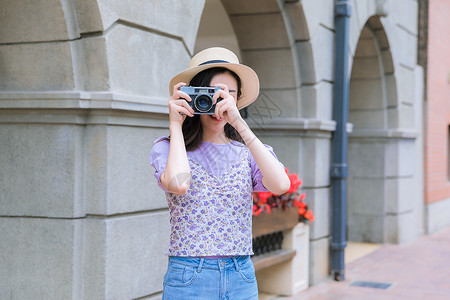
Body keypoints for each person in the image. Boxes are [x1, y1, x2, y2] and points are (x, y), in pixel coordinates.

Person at [150, 47, 290, 299]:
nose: (218, 103)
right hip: (189, 276)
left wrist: (240, 123)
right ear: (194, 94)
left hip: (241, 275)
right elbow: (178, 184)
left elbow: (281, 184)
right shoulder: (168, 147)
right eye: (211, 93)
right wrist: (175, 123)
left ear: (238, 100)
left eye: (228, 95)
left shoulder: (249, 151)